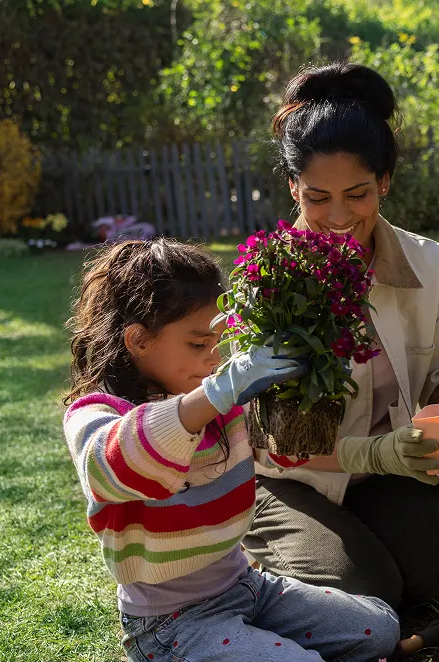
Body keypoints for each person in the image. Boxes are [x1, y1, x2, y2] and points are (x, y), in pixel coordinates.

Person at [243, 62, 439, 609]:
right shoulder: (272, 282)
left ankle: (366, 536)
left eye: (357, 194)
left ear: (385, 182)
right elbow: (280, 442)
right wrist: (377, 455)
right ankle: (261, 559)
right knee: (364, 592)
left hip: (385, 471)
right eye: (316, 197)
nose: (336, 216)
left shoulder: (427, 262)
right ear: (292, 188)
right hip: (285, 478)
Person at [62, 239, 399, 662]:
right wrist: (218, 393)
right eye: (197, 344)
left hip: (247, 588)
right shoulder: (97, 413)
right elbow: (112, 464)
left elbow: (280, 454)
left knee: (379, 627)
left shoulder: (215, 402)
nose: (213, 358)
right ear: (138, 341)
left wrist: (375, 450)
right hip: (171, 622)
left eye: (218, 342)